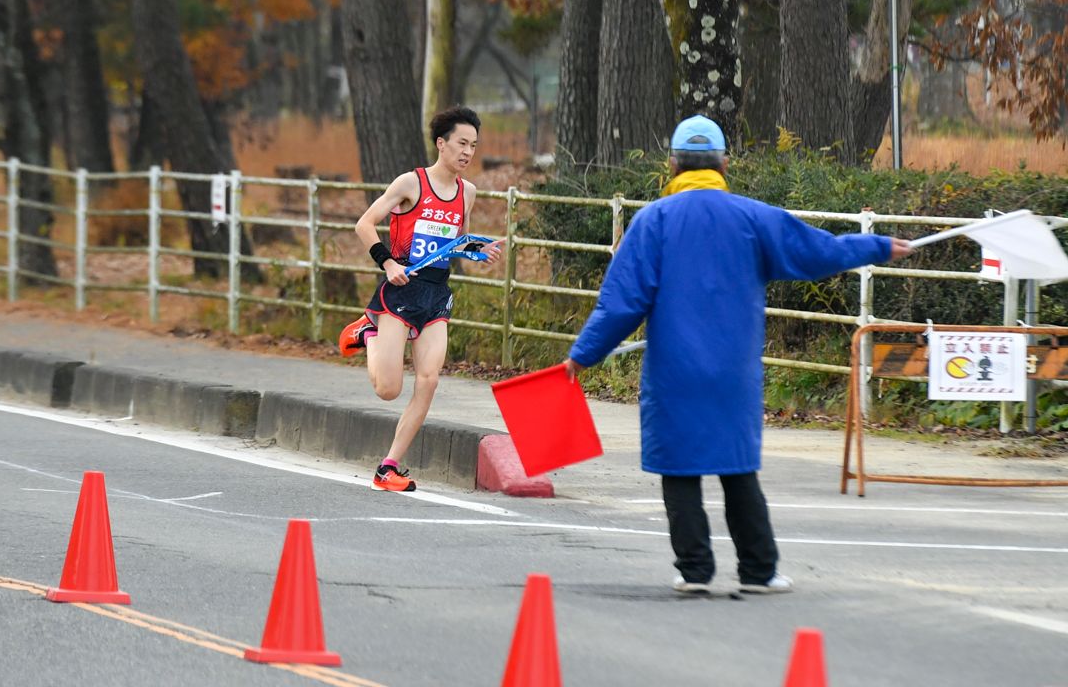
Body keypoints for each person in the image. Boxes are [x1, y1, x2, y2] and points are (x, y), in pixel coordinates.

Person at [564, 115, 912, 594]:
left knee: (679, 470)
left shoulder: (652, 223)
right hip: (733, 372)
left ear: (672, 165)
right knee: (737, 470)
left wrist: (583, 355)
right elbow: (818, 251)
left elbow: (621, 303)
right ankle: (758, 570)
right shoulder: (753, 218)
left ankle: (695, 571)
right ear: (725, 164)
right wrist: (874, 245)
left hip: (674, 372)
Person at [338, 106, 503, 492]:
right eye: (461, 143)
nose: (467, 152)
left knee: (428, 382)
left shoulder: (468, 193)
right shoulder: (410, 184)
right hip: (400, 291)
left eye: (474, 146)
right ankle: (369, 331)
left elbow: (452, 243)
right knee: (388, 390)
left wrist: (478, 249)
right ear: (441, 143)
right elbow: (364, 224)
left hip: (435, 295)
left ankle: (388, 467)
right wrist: (388, 262)